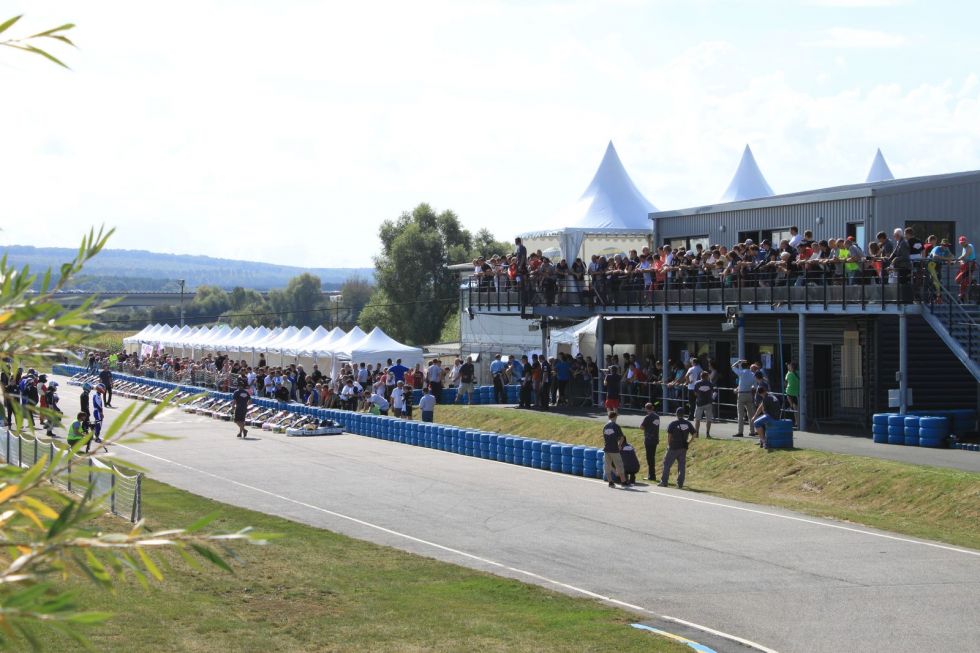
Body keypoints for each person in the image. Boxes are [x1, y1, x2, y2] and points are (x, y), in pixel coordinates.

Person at [659, 407, 693, 489]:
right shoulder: (688, 423)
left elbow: (669, 435)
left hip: (673, 447)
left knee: (667, 464)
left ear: (676, 414)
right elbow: (694, 433)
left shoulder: (673, 423)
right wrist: (688, 442)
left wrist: (669, 444)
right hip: (683, 447)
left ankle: (664, 482)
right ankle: (680, 484)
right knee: (681, 466)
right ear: (683, 414)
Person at [601, 411, 627, 488]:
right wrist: (619, 445)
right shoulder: (616, 426)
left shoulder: (605, 426)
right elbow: (622, 437)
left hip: (606, 448)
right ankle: (623, 482)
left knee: (607, 465)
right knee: (619, 465)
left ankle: (610, 482)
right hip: (614, 449)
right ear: (615, 417)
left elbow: (605, 437)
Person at [752, 385, 782, 449]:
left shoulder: (765, 398)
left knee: (756, 423)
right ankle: (761, 440)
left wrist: (755, 417)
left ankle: (764, 442)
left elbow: (764, 411)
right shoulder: (771, 395)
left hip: (772, 416)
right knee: (761, 421)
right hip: (777, 415)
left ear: (760, 394)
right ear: (765, 390)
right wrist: (755, 416)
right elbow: (761, 407)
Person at [732, 360, 755, 437]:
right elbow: (754, 386)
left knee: (740, 415)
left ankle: (740, 432)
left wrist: (738, 362)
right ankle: (752, 431)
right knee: (751, 414)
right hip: (749, 394)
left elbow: (733, 367)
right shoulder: (753, 374)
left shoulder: (741, 372)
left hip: (741, 394)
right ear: (749, 366)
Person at [692, 371, 716, 438]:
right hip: (708, 403)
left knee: (697, 419)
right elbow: (714, 392)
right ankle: (707, 434)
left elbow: (695, 393)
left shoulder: (697, 383)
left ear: (701, 376)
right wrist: (712, 398)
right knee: (708, 419)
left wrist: (699, 395)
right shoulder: (710, 383)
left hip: (699, 403)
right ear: (706, 376)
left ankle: (697, 433)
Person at [640, 402, 660, 482]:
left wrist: (647, 428)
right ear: (652, 408)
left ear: (646, 409)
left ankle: (651, 475)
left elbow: (641, 427)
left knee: (649, 458)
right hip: (655, 439)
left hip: (648, 439)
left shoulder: (647, 417)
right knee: (652, 457)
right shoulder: (657, 416)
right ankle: (652, 475)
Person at [784, 362, 800, 427]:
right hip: (797, 392)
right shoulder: (798, 372)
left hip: (790, 392)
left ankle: (790, 406)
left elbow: (785, 381)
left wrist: (788, 370)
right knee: (796, 408)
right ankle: (797, 422)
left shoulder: (789, 374)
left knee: (794, 408)